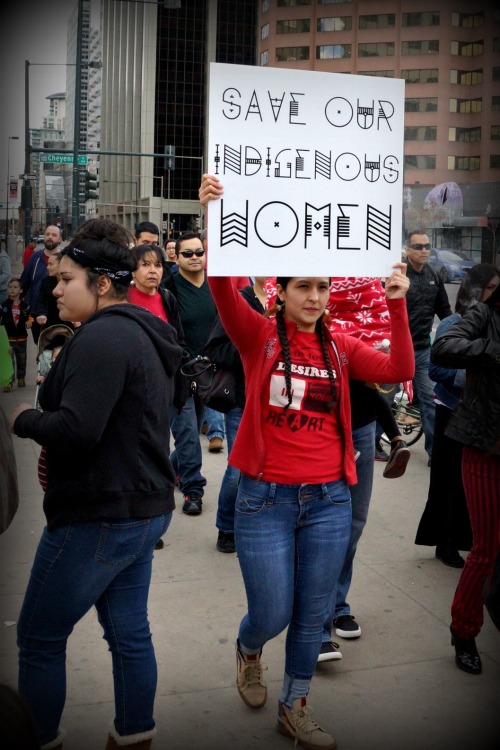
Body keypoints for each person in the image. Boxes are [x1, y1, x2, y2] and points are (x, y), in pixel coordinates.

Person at [200, 174, 414, 749]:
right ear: (281, 291)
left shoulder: (341, 345)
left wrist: (398, 304)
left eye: (321, 287)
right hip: (265, 500)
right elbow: (221, 285)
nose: (315, 297)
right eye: (303, 287)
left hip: (328, 501)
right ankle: (249, 651)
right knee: (270, 612)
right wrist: (214, 215)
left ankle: (295, 705)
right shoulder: (258, 338)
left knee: (312, 612)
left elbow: (398, 371)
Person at [8, 217, 183, 750]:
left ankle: (37, 739)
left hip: (100, 514)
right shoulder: (141, 330)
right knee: (129, 633)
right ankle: (134, 735)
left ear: (102, 283)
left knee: (39, 637)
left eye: (66, 279)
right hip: (139, 506)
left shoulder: (104, 338)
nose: (54, 289)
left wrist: (23, 419)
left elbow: (77, 429)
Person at [431, 278, 500, 676]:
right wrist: (490, 351)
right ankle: (464, 631)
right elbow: (443, 348)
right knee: (486, 550)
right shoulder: (485, 314)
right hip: (484, 446)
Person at [415, 264, 499, 568]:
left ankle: (468, 542)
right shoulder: (455, 322)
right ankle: (445, 543)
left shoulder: (494, 321)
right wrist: (470, 370)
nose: (493, 295)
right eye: (489, 288)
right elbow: (435, 370)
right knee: (447, 483)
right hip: (452, 411)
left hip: (482, 415)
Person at [127, 241, 190, 545]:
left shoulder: (166, 297)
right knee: (136, 458)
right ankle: (138, 522)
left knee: (160, 454)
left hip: (163, 389)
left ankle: (152, 524)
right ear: (133, 270)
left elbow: (177, 340)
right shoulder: (123, 299)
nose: (153, 271)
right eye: (145, 265)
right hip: (130, 392)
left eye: (158, 265)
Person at [203, 276, 269, 553]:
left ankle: (258, 522)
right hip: (243, 399)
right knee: (238, 468)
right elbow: (215, 348)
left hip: (278, 401)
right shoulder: (242, 300)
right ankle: (226, 526)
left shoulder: (293, 299)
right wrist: (250, 344)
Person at [164, 232, 221, 514]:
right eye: (188, 254)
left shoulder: (217, 284)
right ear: (177, 257)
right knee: (186, 433)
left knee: (193, 430)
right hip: (180, 373)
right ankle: (193, 490)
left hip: (210, 374)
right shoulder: (168, 288)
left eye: (199, 252)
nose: (195, 258)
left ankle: (170, 471)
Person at [404, 230, 452, 465]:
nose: (424, 250)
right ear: (407, 250)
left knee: (430, 401)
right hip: (396, 350)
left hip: (423, 350)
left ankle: (435, 452)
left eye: (427, 246)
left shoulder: (434, 275)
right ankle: (376, 444)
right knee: (383, 398)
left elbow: (445, 312)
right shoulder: (398, 274)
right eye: (418, 246)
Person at [20, 225, 62, 344]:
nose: (50, 237)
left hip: (59, 314)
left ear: (60, 239)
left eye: (54, 235)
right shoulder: (35, 257)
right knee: (41, 348)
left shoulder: (65, 258)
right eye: (48, 234)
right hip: (36, 313)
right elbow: (24, 283)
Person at [31, 251, 74, 333]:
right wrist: (41, 314)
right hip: (51, 324)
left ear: (61, 264)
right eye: (48, 264)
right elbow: (40, 301)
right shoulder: (46, 281)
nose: (47, 267)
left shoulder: (73, 281)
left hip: (70, 324)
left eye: (51, 264)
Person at [0, 277, 30, 392]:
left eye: (15, 287)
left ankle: (21, 377)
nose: (12, 289)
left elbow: (29, 318)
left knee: (22, 360)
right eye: (10, 287)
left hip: (22, 338)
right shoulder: (4, 305)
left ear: (21, 290)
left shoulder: (25, 306)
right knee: (9, 361)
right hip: (8, 339)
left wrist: (29, 322)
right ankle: (8, 382)